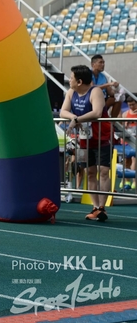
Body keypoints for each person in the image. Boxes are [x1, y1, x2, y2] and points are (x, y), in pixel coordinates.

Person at [60, 65, 112, 222]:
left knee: (103, 171)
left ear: (80, 81)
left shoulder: (95, 91)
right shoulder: (71, 92)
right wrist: (73, 117)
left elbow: (97, 112)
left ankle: (102, 207)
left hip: (101, 138)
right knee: (89, 172)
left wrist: (77, 119)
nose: (69, 80)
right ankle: (95, 207)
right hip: (84, 140)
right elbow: (63, 111)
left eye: (71, 78)